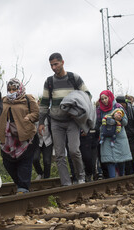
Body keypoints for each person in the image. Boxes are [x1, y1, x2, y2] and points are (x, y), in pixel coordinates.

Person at [38, 53, 90, 186]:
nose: (53, 67)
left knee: (74, 150)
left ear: (62, 62)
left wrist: (80, 114)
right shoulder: (49, 82)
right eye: (51, 65)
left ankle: (80, 176)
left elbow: (87, 95)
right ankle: (66, 183)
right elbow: (44, 103)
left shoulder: (74, 78)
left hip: (73, 121)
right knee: (60, 155)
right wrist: (41, 122)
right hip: (55, 121)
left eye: (56, 64)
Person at [0, 78, 39, 194]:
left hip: (26, 138)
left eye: (14, 89)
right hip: (7, 139)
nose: (11, 92)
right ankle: (20, 183)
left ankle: (23, 188)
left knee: (25, 162)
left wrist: (29, 117)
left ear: (19, 89)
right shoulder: (3, 101)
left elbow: (36, 113)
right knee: (7, 163)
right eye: (9, 89)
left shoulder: (28, 98)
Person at [96, 90, 132, 178]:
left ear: (110, 97)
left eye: (106, 98)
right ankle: (113, 179)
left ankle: (121, 176)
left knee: (121, 159)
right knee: (109, 160)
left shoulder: (118, 107)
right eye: (102, 99)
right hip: (106, 137)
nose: (104, 100)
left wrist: (118, 119)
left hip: (119, 136)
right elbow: (98, 123)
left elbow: (125, 122)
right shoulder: (99, 110)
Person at [115, 96, 134, 175]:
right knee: (124, 156)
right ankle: (127, 174)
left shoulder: (133, 110)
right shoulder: (117, 111)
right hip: (122, 136)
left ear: (124, 103)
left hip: (131, 136)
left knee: (132, 154)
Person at [33, 99, 53, 180]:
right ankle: (40, 173)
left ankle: (46, 178)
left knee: (47, 161)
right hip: (37, 141)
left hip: (48, 141)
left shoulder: (50, 115)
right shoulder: (34, 115)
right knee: (35, 158)